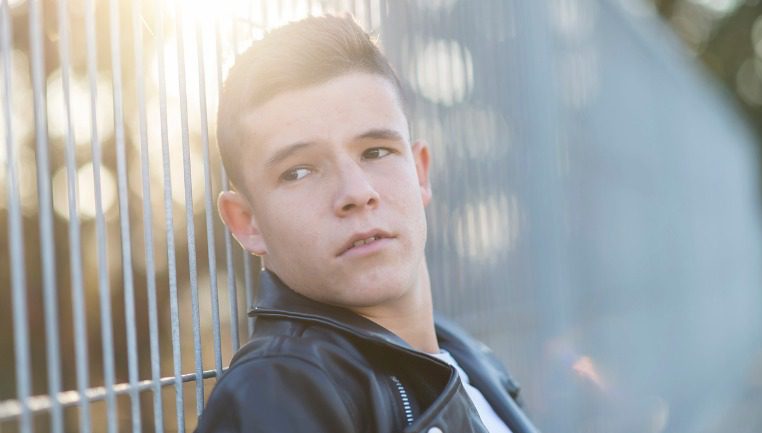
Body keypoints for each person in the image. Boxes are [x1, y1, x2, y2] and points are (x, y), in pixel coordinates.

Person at [195, 14, 539, 433]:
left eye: (376, 152)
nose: (356, 192)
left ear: (421, 172)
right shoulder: (276, 391)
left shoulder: (468, 358)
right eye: (299, 171)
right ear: (247, 222)